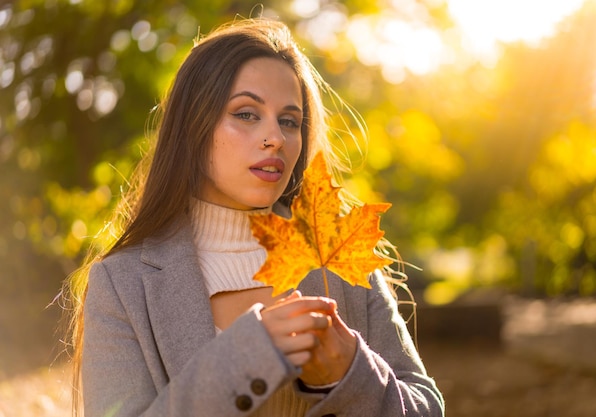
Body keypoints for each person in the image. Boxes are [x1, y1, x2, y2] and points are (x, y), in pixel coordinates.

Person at [65, 17, 445, 417]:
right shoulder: (123, 284)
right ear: (193, 125)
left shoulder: (341, 257)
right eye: (246, 114)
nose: (275, 138)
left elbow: (426, 408)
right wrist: (245, 359)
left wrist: (351, 375)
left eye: (289, 121)